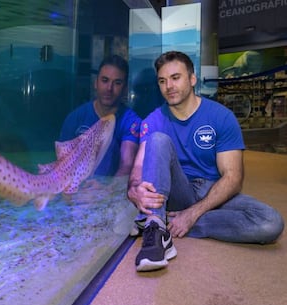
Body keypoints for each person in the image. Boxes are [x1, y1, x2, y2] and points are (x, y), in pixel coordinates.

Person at [127, 51, 284, 272]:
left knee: (270, 222)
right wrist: (133, 190)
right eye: (162, 81)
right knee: (158, 139)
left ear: (192, 79)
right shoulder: (153, 120)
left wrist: (192, 215)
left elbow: (233, 177)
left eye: (175, 77)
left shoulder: (221, 117)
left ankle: (163, 223)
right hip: (174, 190)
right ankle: (156, 228)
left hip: (211, 190)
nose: (168, 86)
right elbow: (137, 169)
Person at [59, 54, 141, 177]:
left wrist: (105, 191)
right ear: (96, 83)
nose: (109, 88)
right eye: (104, 80)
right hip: (78, 187)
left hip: (110, 189)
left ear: (125, 89)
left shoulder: (131, 122)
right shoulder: (75, 118)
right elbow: (61, 164)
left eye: (117, 83)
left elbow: (126, 166)